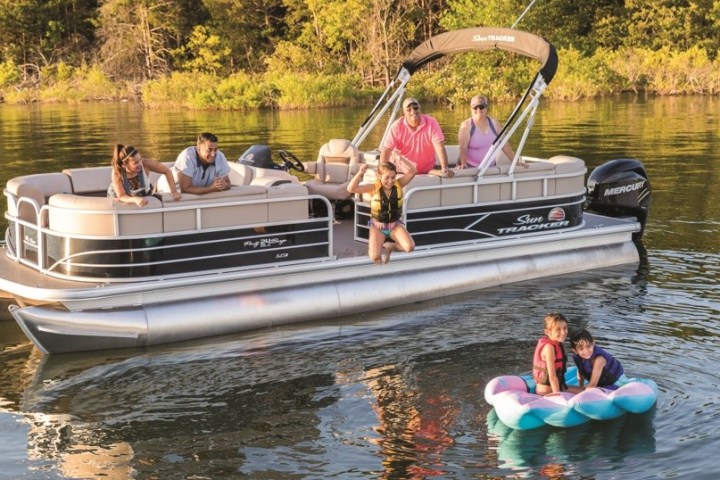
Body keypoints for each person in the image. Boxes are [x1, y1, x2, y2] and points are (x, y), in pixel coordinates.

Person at [347, 154, 417, 264]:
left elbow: (413, 171)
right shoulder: (374, 187)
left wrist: (401, 159)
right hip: (377, 226)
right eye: (387, 178)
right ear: (379, 177)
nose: (390, 181)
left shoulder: (399, 184)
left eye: (393, 177)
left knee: (409, 247)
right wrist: (360, 173)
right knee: (375, 257)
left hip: (395, 225)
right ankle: (379, 253)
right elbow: (351, 189)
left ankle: (390, 246)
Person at [379, 97, 452, 177]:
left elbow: (439, 147)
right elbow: (386, 150)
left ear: (420, 109)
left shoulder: (431, 123)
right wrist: (382, 172)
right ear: (404, 113)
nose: (413, 111)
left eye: (415, 107)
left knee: (445, 173)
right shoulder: (397, 126)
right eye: (408, 109)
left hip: (426, 170)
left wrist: (444, 167)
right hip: (402, 171)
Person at [457, 95, 522, 169]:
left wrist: (515, 162)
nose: (478, 110)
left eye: (481, 107)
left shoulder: (495, 123)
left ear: (486, 108)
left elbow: (504, 144)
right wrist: (463, 164)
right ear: (471, 109)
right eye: (475, 107)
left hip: (490, 168)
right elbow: (463, 148)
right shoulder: (466, 125)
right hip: (470, 168)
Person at [108, 144, 181, 206]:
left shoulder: (145, 163)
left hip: (142, 197)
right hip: (120, 199)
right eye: (135, 163)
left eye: (140, 159)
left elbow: (167, 171)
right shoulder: (116, 172)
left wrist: (174, 192)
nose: (140, 164)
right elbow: (121, 196)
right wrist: (135, 199)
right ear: (124, 164)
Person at [531, 312, 577, 395]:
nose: (563, 332)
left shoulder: (557, 343)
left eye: (565, 328)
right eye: (558, 329)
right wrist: (558, 396)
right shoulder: (549, 348)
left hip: (559, 387)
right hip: (547, 392)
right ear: (547, 332)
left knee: (589, 390)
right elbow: (552, 377)